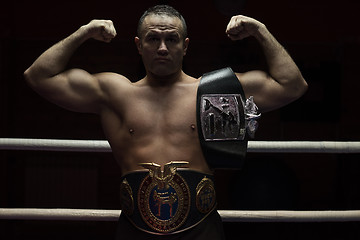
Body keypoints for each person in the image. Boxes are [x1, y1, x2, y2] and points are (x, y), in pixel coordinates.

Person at [24, 4, 307, 239]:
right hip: (134, 230)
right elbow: (39, 77)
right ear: (139, 45)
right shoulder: (116, 93)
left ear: (185, 47)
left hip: (201, 230)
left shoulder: (214, 92)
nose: (162, 48)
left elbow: (291, 85)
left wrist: (260, 30)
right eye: (153, 39)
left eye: (171, 39)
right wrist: (83, 32)